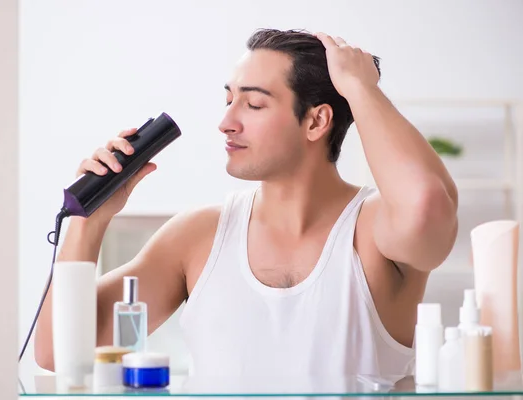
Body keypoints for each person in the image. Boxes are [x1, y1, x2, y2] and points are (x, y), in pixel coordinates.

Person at [34, 28, 458, 378]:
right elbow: (57, 353)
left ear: (316, 121)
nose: (226, 122)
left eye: (253, 104)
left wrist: (360, 88)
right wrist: (90, 219)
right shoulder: (197, 237)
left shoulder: (374, 234)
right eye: (228, 99)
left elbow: (427, 206)